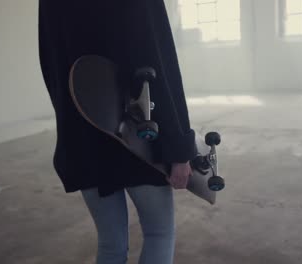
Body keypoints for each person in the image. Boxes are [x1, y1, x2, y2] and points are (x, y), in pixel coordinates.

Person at [38, 1, 197, 263]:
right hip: (141, 136)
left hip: (83, 137)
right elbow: (157, 59)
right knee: (159, 234)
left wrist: (74, 127)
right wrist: (179, 147)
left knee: (111, 244)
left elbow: (51, 64)